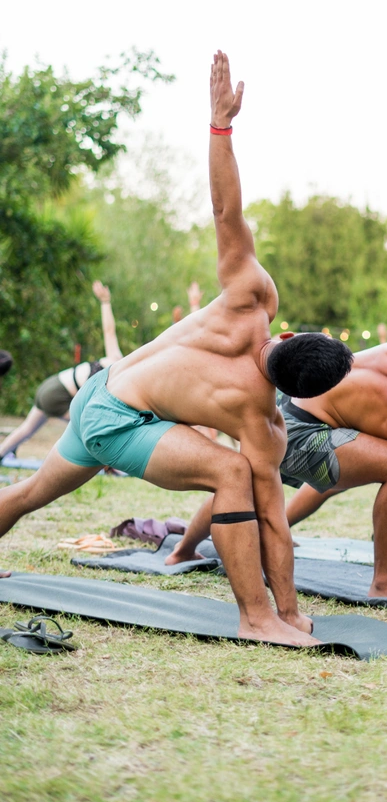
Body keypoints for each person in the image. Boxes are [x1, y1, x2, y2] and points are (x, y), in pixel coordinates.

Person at [0, 51, 353, 644]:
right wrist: (288, 608)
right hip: (117, 417)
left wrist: (221, 125)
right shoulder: (263, 420)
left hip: (100, 393)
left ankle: (268, 616)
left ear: (288, 335)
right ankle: (256, 617)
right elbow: (274, 518)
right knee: (232, 470)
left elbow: (225, 211)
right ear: (296, 393)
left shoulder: (250, 297)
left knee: (33, 492)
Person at [167, 154, 387, 603]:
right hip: (299, 429)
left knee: (256, 477)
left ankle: (183, 550)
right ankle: (384, 579)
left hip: (289, 410)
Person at [0, 282, 123, 464]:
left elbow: (109, 332)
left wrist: (105, 301)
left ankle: (1, 453)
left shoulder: (115, 361)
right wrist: (105, 302)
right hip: (58, 395)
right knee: (86, 429)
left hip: (51, 386)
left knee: (26, 429)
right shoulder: (117, 362)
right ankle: (100, 465)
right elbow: (109, 331)